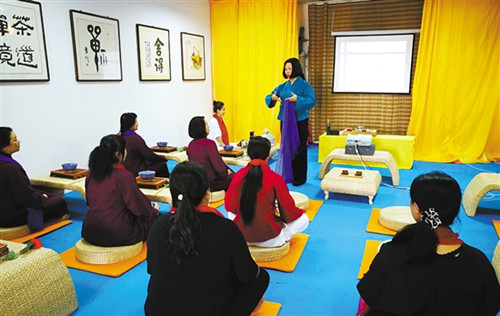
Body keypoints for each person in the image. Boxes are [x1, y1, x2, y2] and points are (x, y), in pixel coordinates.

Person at [357, 172, 500, 316]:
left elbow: (370, 299)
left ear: (417, 209)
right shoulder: (478, 263)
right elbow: (491, 307)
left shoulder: (392, 253)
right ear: (455, 211)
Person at [145, 161, 269, 315]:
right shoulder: (224, 227)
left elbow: (152, 269)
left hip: (158, 311)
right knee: (261, 277)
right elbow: (248, 274)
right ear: (207, 193)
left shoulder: (158, 225)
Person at [225, 136, 309, 247]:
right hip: (269, 239)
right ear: (268, 154)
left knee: (231, 213)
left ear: (249, 153)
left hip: (242, 236)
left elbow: (230, 207)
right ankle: (283, 238)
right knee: (304, 219)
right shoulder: (275, 178)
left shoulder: (238, 175)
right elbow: (288, 210)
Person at [82, 134, 160, 247]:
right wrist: (154, 211)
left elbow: (89, 203)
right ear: (118, 154)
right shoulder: (124, 176)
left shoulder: (91, 176)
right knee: (158, 221)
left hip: (90, 231)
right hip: (118, 233)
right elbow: (139, 207)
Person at [0, 127, 68, 230]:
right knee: (59, 201)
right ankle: (57, 219)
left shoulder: (5, 164)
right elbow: (26, 198)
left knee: (46, 194)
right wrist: (41, 198)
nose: (18, 141)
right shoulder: (10, 168)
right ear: (4, 146)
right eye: (15, 139)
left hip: (5, 208)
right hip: (11, 216)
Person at [265, 57, 316, 186]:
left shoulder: (305, 85)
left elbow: (312, 100)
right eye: (285, 69)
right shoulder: (282, 86)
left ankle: (300, 177)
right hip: (286, 121)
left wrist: (297, 99)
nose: (287, 71)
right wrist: (273, 97)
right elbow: (269, 97)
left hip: (300, 121)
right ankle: (290, 174)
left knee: (300, 148)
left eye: (290, 68)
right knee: (288, 148)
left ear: (296, 69)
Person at [187, 116, 233, 192]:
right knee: (237, 177)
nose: (208, 127)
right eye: (206, 124)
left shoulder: (191, 144)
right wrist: (226, 172)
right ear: (201, 128)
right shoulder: (209, 144)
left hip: (197, 182)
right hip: (211, 182)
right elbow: (219, 168)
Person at [119, 112, 169, 178]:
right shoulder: (134, 138)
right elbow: (148, 155)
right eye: (136, 121)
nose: (137, 123)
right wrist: (162, 158)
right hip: (136, 170)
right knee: (162, 165)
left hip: (124, 169)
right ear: (131, 124)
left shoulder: (119, 137)